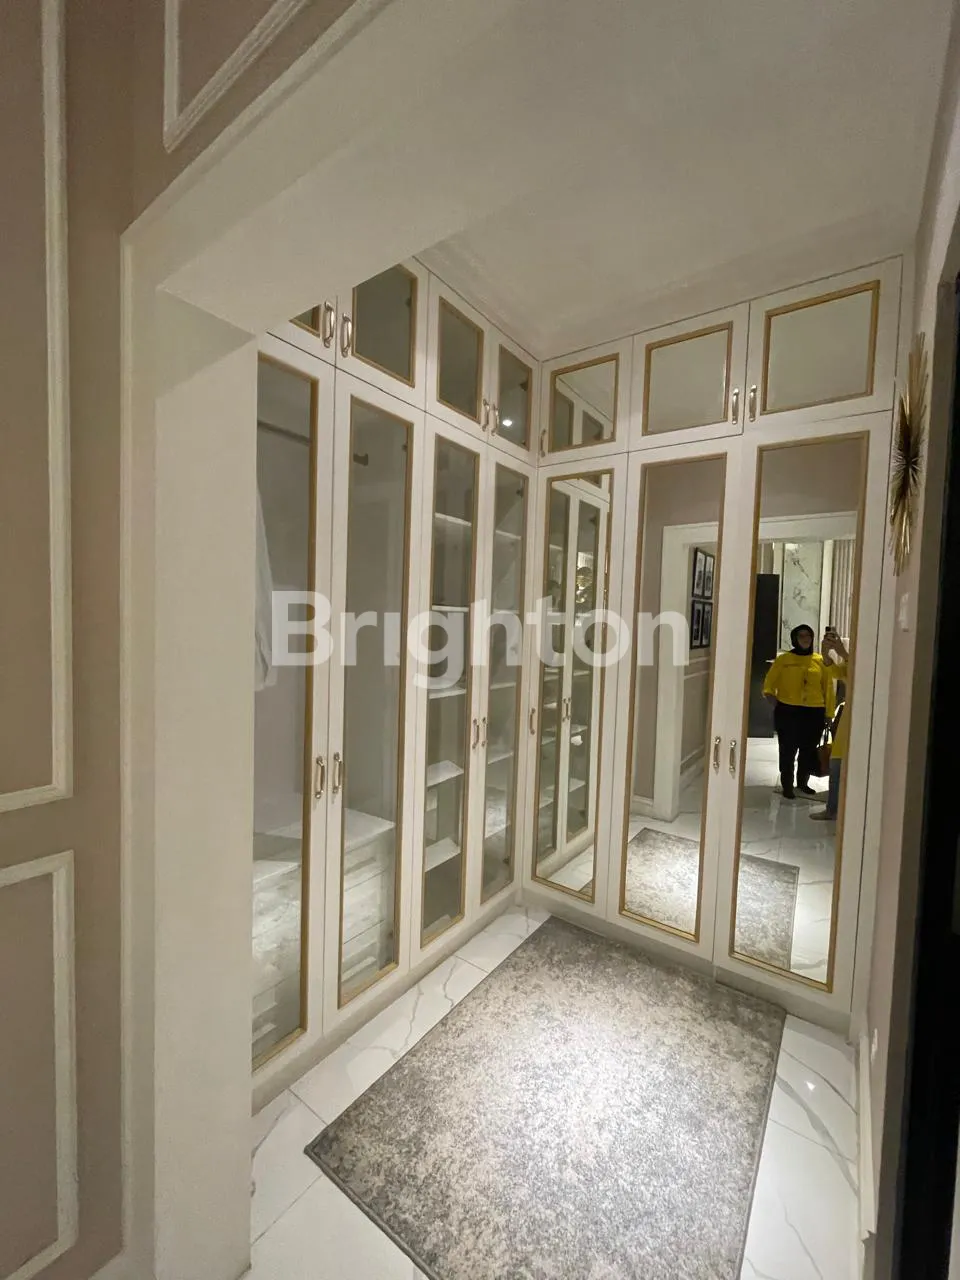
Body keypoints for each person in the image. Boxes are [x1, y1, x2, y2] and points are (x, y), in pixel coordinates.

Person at [762, 623, 833, 800]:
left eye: (808, 636)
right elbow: (769, 683)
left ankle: (803, 782)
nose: (805, 639)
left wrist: (829, 714)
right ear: (795, 639)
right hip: (788, 711)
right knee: (788, 750)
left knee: (808, 750)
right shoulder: (784, 660)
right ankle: (787, 785)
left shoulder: (819, 661)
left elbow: (828, 689)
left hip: (814, 712)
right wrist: (773, 699)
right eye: (801, 636)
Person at [811, 629, 850, 821]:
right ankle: (832, 810)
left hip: (862, 719)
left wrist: (843, 653)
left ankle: (841, 811)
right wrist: (826, 655)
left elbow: (858, 677)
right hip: (847, 720)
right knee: (836, 766)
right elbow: (837, 672)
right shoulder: (853, 659)